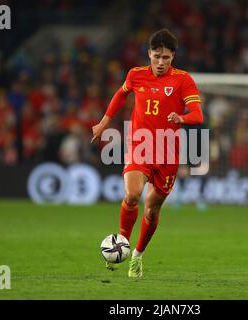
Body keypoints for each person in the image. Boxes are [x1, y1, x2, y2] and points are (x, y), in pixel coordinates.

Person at [91, 29, 203, 278]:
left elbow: (198, 114)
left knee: (151, 210)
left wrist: (181, 117)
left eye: (166, 57)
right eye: (156, 56)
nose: (161, 62)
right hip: (140, 146)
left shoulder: (183, 80)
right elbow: (121, 94)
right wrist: (103, 122)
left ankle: (137, 256)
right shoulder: (136, 74)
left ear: (173, 56)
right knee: (132, 195)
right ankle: (122, 242)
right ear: (149, 53)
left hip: (168, 152)